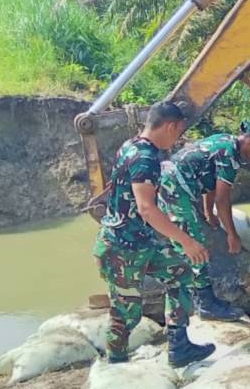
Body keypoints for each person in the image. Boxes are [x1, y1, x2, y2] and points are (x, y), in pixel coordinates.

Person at [92, 101, 214, 367]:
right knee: (126, 313)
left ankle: (179, 347)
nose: (178, 138)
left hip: (142, 242)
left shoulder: (130, 146)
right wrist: (186, 240)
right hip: (121, 248)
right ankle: (116, 363)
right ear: (170, 126)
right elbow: (147, 209)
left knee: (180, 271)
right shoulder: (145, 159)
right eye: (178, 131)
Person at [157, 120, 250, 322]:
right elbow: (223, 199)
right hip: (177, 190)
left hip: (174, 183)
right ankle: (205, 304)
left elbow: (210, 181)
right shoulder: (229, 156)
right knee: (196, 245)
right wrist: (232, 235)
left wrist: (207, 211)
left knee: (197, 237)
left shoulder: (223, 142)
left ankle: (199, 298)